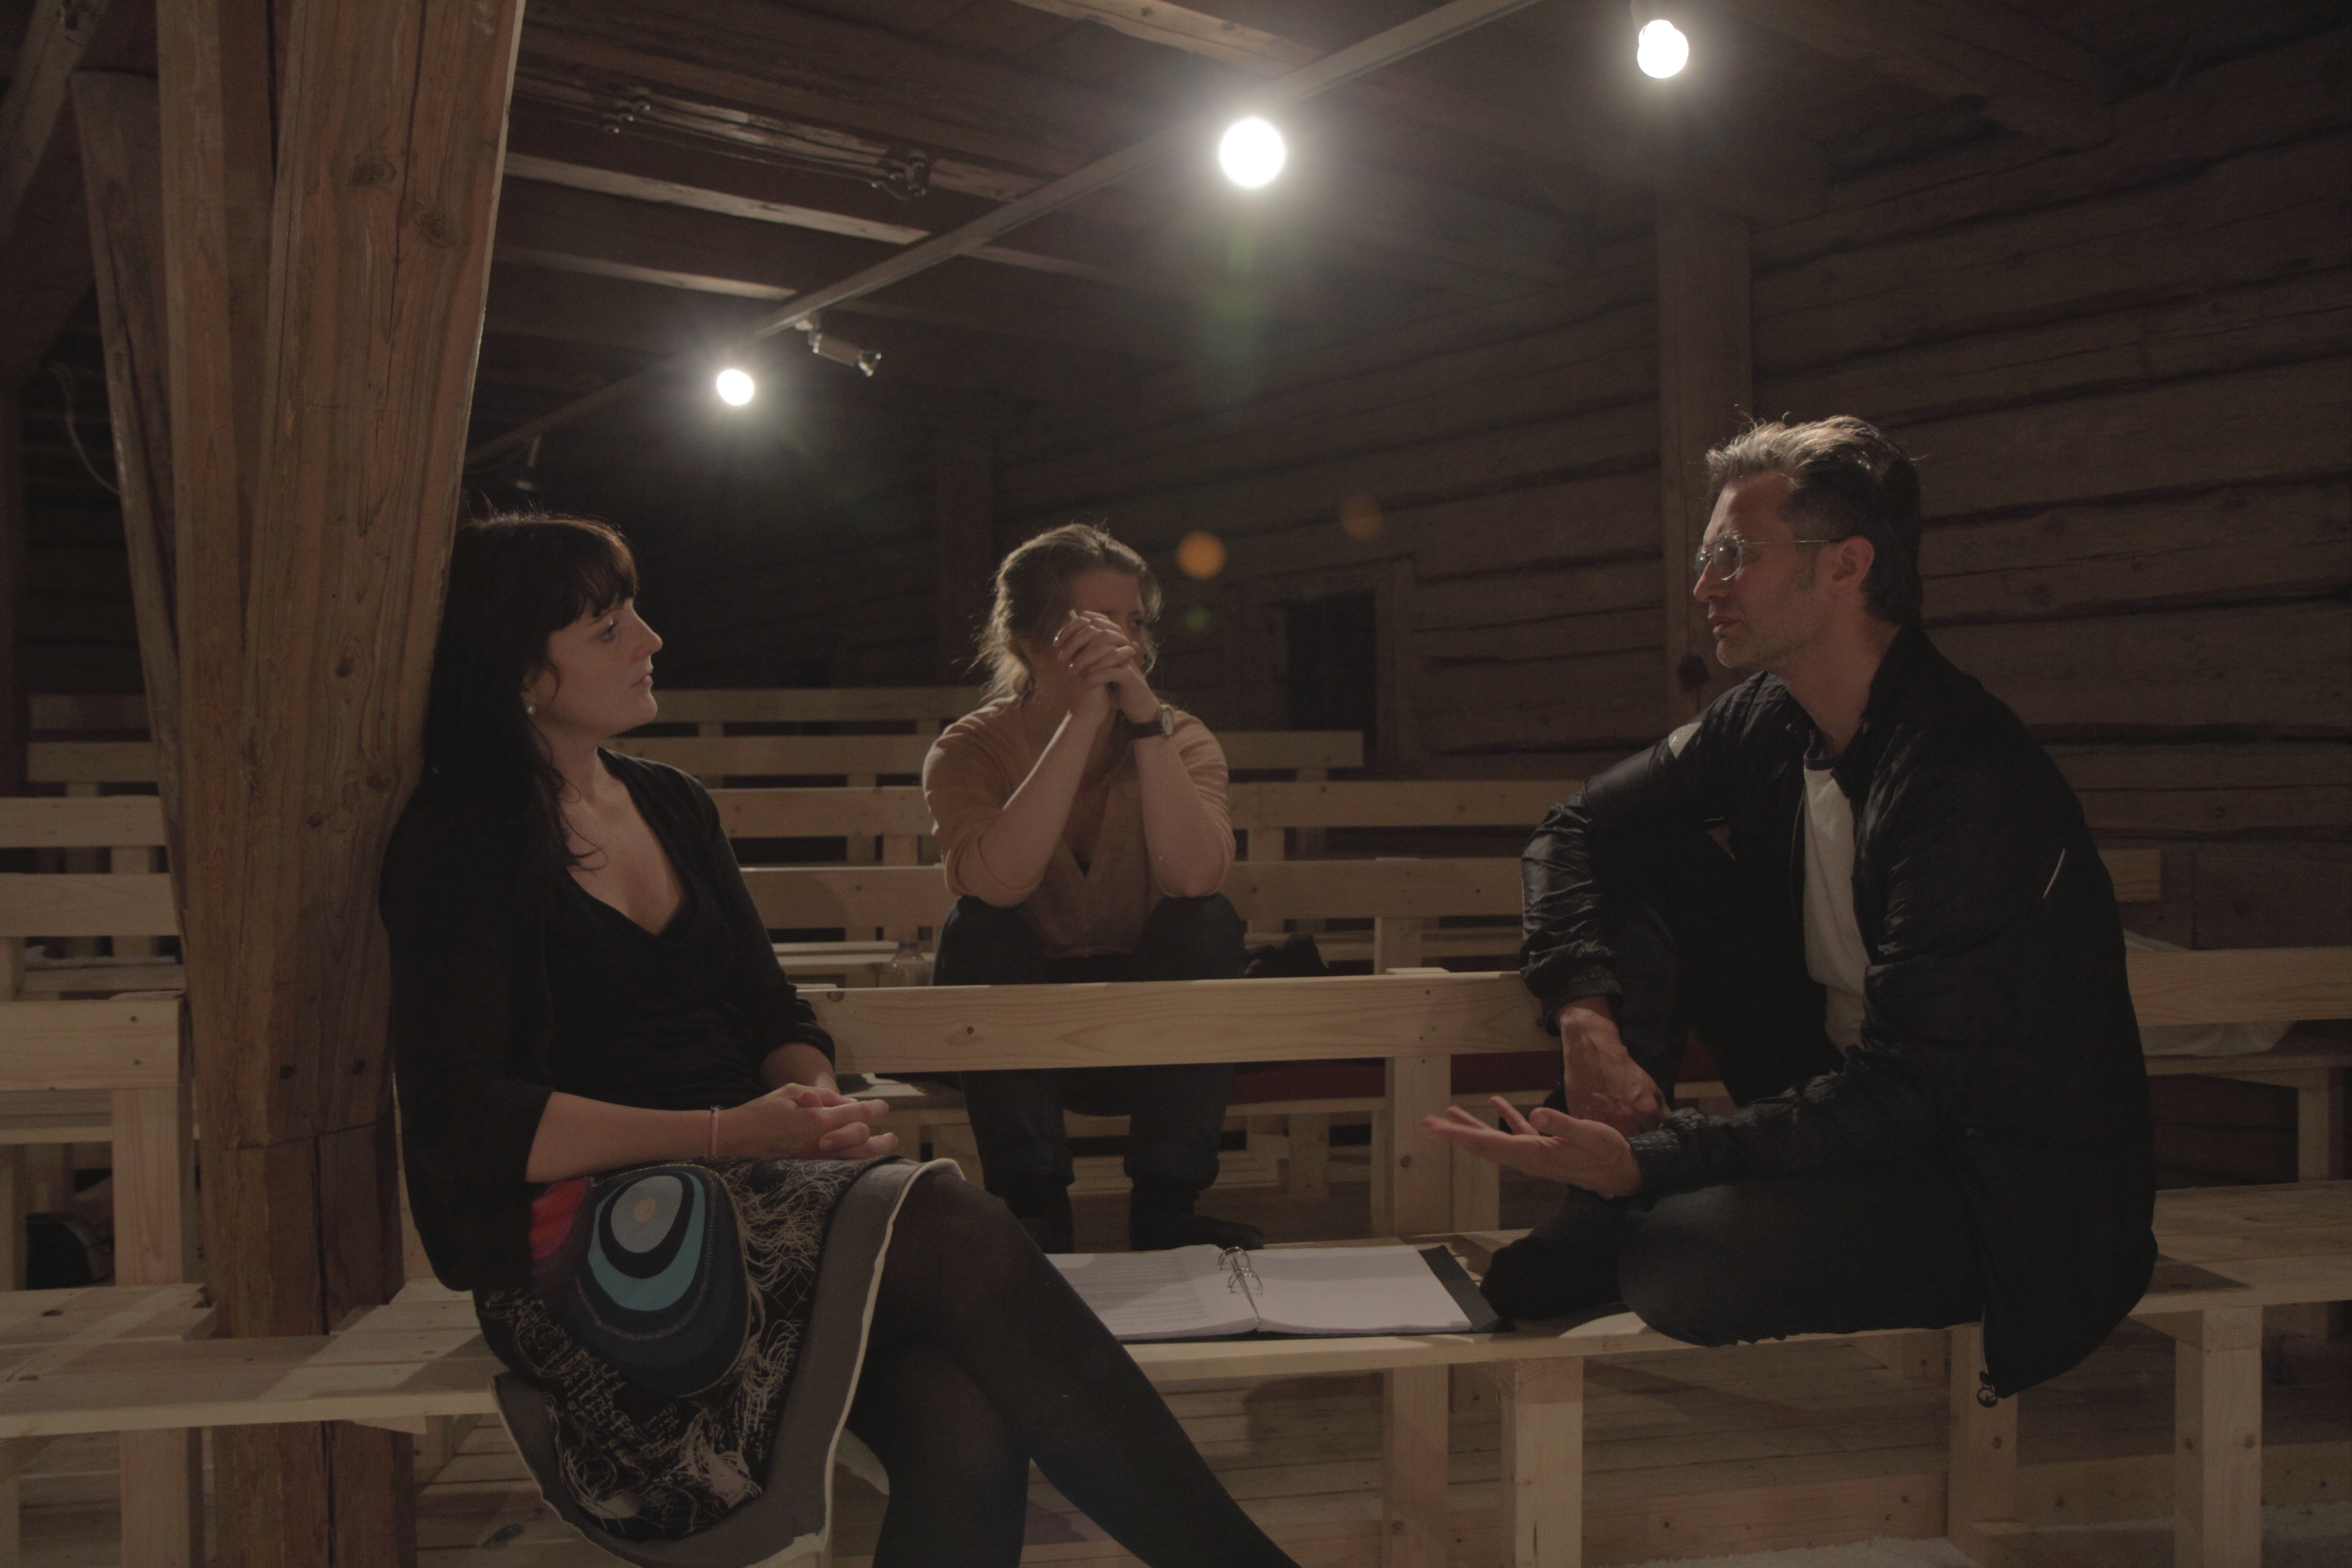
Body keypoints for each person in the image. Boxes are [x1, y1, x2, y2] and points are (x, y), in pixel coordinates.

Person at [383, 514, 1301, 1568]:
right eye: (607, 628)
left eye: (635, 612)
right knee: (951, 1219)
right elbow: (464, 1115)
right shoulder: (463, 836)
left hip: (747, 1178)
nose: (650, 638)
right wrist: (732, 1131)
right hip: (580, 1236)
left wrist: (811, 1101)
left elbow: (772, 1010)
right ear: (520, 672)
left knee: (962, 1415)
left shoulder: (670, 803)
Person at [1426, 418, 2156, 1403]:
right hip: (1841, 1092)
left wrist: (1652, 1161)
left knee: (1687, 1257)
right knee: (1635, 840)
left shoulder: (1964, 774)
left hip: (1987, 1177)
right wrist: (1583, 1012)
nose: (1705, 585)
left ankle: (1632, 1204)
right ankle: (1600, 1219)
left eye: (1735, 554)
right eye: (1707, 556)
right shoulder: (1766, 716)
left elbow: (1907, 1090)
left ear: (1845, 566)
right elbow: (1573, 826)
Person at [924, 522, 1257, 1254]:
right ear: (1034, 642)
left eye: (1133, 622)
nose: (1126, 645)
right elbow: (997, 885)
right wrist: (1080, 722)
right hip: (1018, 1028)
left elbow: (1193, 876)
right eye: (1099, 623)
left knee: (1206, 919)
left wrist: (1144, 725)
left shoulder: (1182, 737)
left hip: (1149, 1024)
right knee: (978, 925)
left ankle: (1167, 1208)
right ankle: (1035, 1206)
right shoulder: (969, 748)